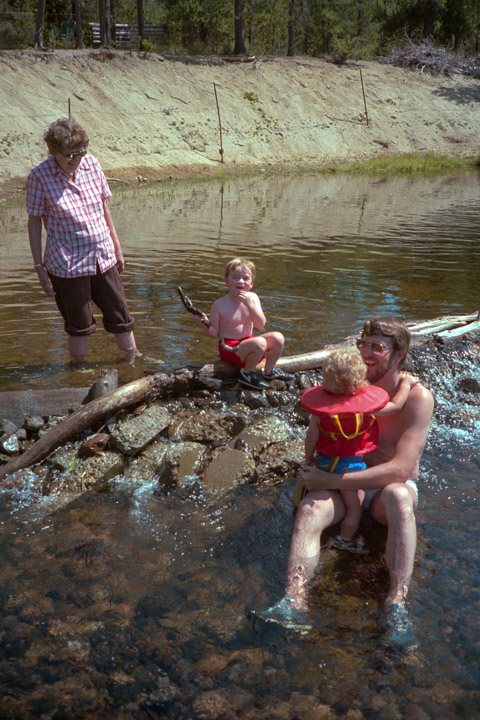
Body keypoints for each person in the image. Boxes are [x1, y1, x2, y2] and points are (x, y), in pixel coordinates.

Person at [262, 316, 434, 644]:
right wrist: (314, 471)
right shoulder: (350, 387)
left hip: (385, 491)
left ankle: (397, 604)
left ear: (399, 355)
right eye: (362, 345)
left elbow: (399, 471)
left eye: (376, 348)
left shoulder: (416, 397)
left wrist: (328, 477)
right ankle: (293, 602)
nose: (366, 353)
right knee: (311, 508)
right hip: (345, 481)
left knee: (400, 497)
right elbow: (317, 432)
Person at [26, 117, 140, 364]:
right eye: (69, 155)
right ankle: (79, 370)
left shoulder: (92, 164)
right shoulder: (39, 177)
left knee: (121, 315)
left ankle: (133, 360)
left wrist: (117, 249)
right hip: (67, 263)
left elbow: (104, 208)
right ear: (53, 150)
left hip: (103, 256)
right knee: (79, 323)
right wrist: (38, 267)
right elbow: (34, 223)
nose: (75, 160)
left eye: (80, 153)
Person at [300, 346, 419, 555]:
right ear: (360, 379)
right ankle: (344, 539)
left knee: (316, 503)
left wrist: (308, 460)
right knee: (354, 509)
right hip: (350, 468)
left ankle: (323, 531)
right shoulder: (368, 406)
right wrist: (407, 384)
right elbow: (396, 406)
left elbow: (312, 438)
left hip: (324, 463)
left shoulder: (321, 410)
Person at [194, 257, 293, 390]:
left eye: (245, 278)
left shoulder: (253, 298)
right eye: (235, 277)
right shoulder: (219, 304)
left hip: (249, 344)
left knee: (278, 338)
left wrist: (250, 306)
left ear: (251, 283)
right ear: (226, 281)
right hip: (229, 347)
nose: (240, 281)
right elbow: (213, 333)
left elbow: (260, 324)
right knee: (260, 343)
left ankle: (268, 372)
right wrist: (204, 322)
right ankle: (246, 374)